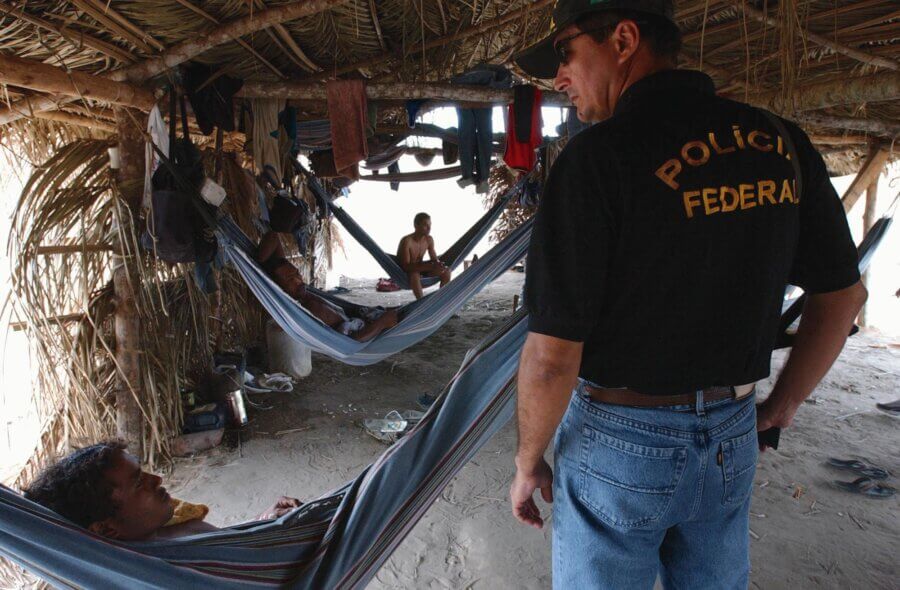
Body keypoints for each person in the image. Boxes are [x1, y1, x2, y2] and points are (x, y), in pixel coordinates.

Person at [508, 1, 867, 588]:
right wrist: (779, 408)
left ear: (623, 40)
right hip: (731, 433)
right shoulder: (780, 142)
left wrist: (527, 464)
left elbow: (551, 355)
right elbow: (844, 297)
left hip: (622, 438)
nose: (558, 78)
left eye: (565, 54)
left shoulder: (597, 158)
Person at [23, 441, 301, 541]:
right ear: (106, 529)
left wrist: (260, 524)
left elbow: (226, 553)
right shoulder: (156, 573)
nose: (156, 479)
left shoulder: (161, 528)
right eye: (138, 483)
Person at [257, 231, 398, 341]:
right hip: (367, 332)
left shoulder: (303, 293)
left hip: (359, 318)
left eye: (297, 273)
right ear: (279, 290)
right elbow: (351, 342)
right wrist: (382, 323)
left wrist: (260, 267)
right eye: (290, 280)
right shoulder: (308, 310)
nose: (299, 280)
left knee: (399, 312)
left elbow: (273, 236)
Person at [397, 213, 452, 300]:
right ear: (416, 225)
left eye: (430, 225)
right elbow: (405, 267)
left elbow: (434, 259)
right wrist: (428, 266)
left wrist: (438, 264)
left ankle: (441, 299)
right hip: (407, 272)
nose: (429, 228)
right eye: (425, 225)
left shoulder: (429, 239)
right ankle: (421, 303)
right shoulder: (407, 241)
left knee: (447, 270)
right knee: (414, 274)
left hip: (421, 269)